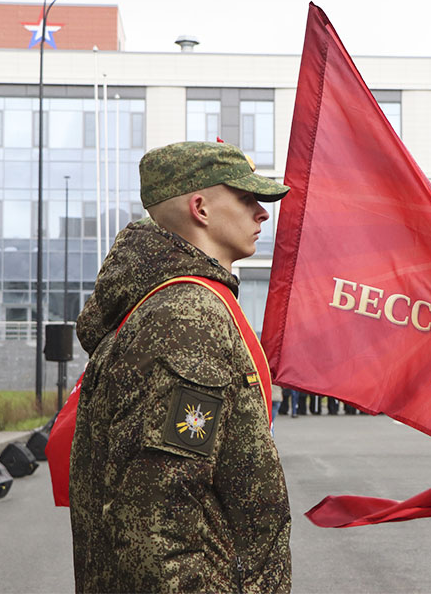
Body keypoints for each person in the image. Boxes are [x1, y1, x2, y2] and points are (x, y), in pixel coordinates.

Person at [69, 142, 292, 593]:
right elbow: (156, 515)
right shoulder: (187, 315)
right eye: (247, 199)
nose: (261, 214)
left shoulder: (177, 303)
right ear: (200, 208)